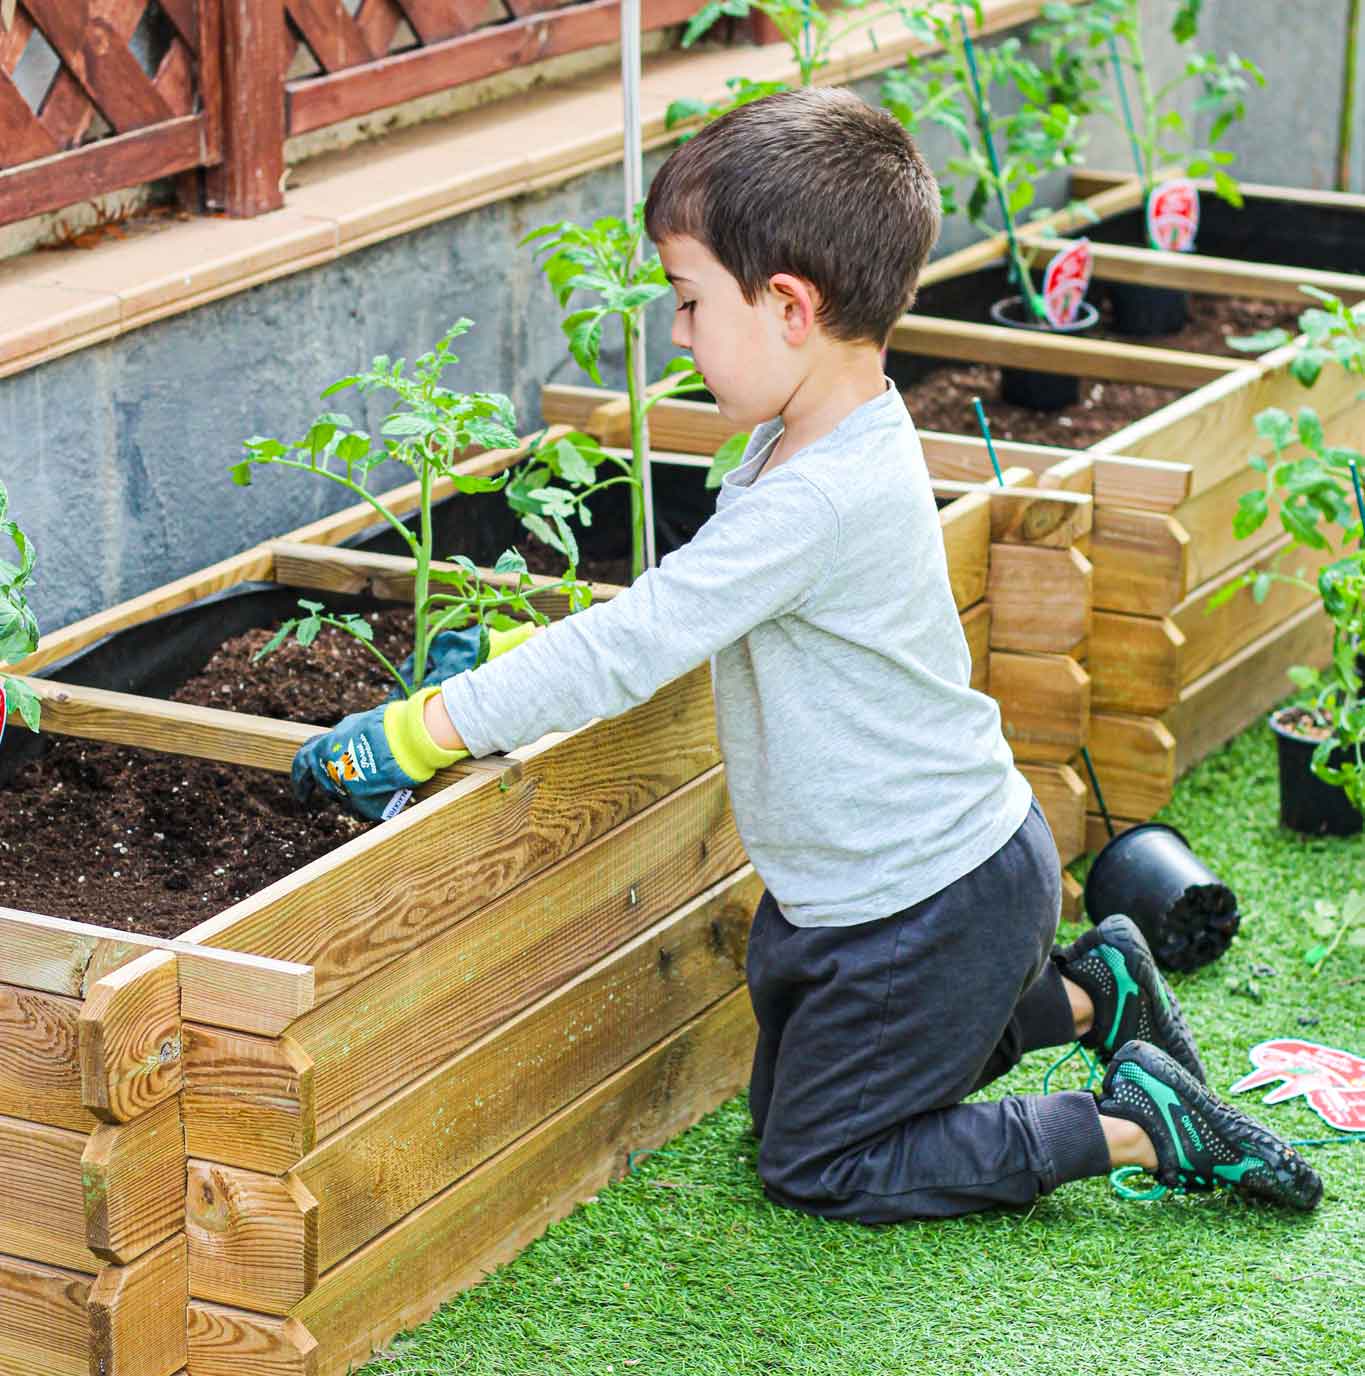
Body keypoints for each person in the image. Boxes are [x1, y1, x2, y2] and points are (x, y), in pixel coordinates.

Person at [293, 87, 1322, 1217]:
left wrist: (421, 728)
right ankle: (1094, 992)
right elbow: (676, 604)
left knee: (818, 1162)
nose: (676, 334)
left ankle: (1135, 1124)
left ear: (788, 304)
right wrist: (515, 651)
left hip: (923, 903)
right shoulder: (825, 432)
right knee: (802, 1109)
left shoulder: (815, 499)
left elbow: (638, 639)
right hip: (906, 884)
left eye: (688, 303)